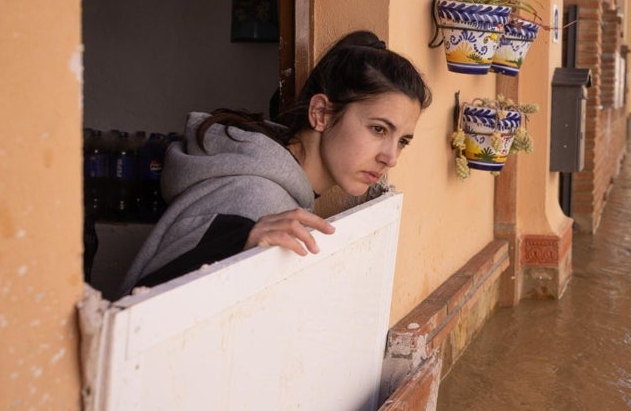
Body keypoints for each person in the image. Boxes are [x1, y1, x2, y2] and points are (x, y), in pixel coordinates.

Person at [118, 31, 432, 298]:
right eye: (379, 129)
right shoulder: (256, 197)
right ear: (320, 113)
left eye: (402, 141)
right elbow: (141, 311)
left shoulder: (280, 191)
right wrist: (236, 243)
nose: (390, 157)